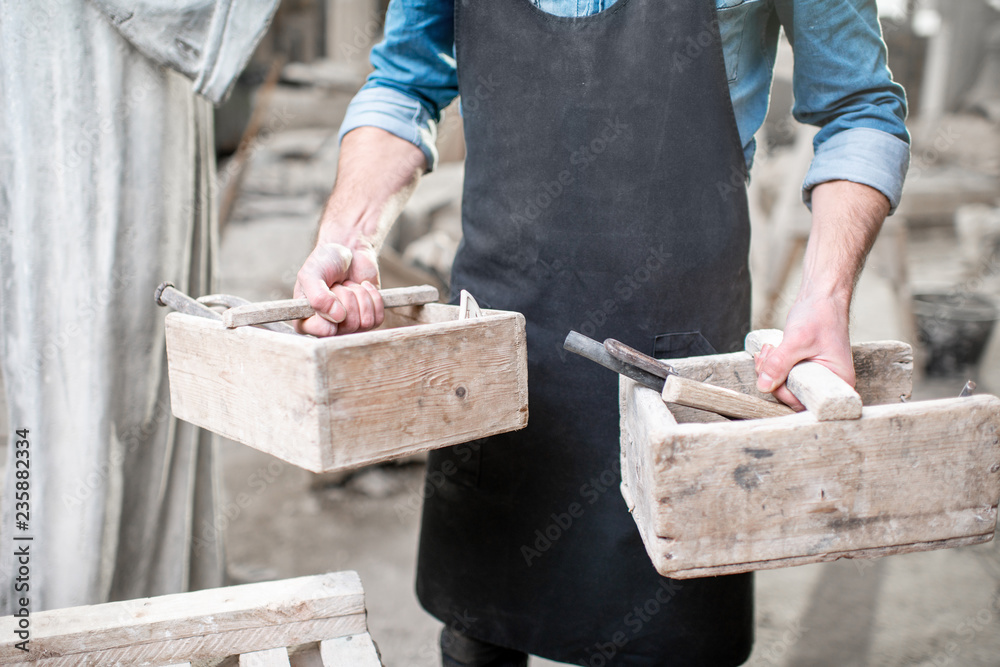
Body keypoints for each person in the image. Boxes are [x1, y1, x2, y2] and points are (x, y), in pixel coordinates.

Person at [293, 0, 910, 664]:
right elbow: (406, 81)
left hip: (677, 374)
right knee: (480, 633)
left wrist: (826, 294)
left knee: (668, 638)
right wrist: (347, 237)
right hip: (500, 360)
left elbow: (860, 108)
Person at [0, 0, 277, 612]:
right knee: (91, 373)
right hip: (88, 79)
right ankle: (68, 621)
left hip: (117, 82)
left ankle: (131, 603)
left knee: (131, 363)